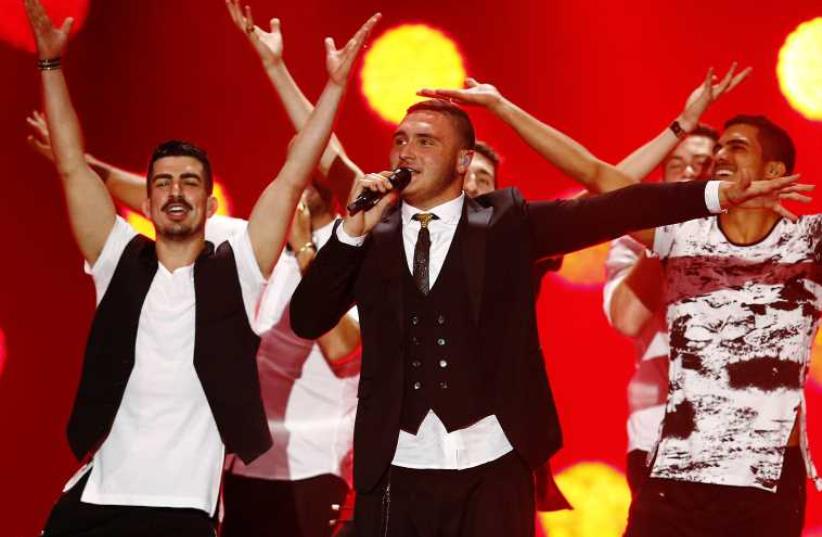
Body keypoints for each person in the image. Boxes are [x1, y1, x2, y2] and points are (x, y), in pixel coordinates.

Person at [289, 68, 804, 535]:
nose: (405, 153)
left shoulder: (506, 224)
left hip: (491, 466)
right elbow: (309, 318)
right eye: (400, 140)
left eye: (425, 142)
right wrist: (349, 234)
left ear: (463, 160)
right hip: (396, 470)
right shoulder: (369, 233)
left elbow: (615, 205)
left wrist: (713, 197)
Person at [23, 0, 377, 534]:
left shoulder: (237, 269)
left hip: (183, 508)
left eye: (190, 182)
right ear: (147, 200)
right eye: (162, 181)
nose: (175, 191)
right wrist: (51, 67)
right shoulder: (118, 258)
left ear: (211, 205)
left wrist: (332, 89)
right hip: (95, 501)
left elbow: (294, 172)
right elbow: (74, 167)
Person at [619, 114, 822, 536]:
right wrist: (678, 125)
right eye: (720, 149)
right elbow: (604, 189)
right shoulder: (680, 235)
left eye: (737, 147)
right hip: (676, 469)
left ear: (775, 172)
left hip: (763, 480)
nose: (718, 157)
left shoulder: (807, 240)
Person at [603, 123, 719, 497]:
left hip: (743, 436)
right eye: (677, 165)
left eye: (702, 164)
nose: (689, 174)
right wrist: (668, 240)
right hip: (660, 431)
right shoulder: (636, 241)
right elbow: (626, 319)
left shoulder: (754, 237)